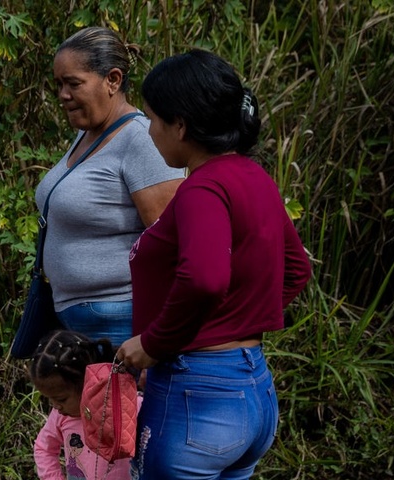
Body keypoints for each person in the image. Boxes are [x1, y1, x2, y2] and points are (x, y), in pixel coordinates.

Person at [116, 50, 313, 479]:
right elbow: (296, 267)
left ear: (181, 125)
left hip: (198, 394)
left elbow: (204, 279)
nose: (149, 131)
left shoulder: (202, 189)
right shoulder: (254, 177)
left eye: (153, 119)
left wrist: (154, 343)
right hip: (253, 389)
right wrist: (233, 322)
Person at [36, 26, 185, 348]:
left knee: (116, 402)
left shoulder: (141, 139)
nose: (62, 94)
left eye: (73, 84)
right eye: (59, 84)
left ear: (113, 80)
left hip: (120, 323)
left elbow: (169, 245)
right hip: (79, 321)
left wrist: (155, 340)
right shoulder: (88, 135)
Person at [31, 330, 138, 480]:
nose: (56, 406)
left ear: (87, 383)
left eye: (61, 399)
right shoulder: (59, 417)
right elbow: (44, 448)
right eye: (50, 399)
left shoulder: (127, 407)